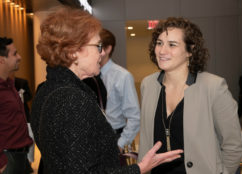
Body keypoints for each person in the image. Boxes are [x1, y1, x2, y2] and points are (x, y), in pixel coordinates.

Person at [30, 7, 183, 174]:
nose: (102, 53)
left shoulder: (48, 90)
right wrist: (139, 168)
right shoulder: (70, 100)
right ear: (74, 52)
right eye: (97, 46)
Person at [138, 17, 242, 174]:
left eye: (172, 45)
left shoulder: (213, 87)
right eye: (159, 43)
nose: (162, 51)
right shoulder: (148, 85)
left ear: (190, 50)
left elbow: (233, 145)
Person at [100, 28, 140, 153]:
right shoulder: (87, 75)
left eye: (97, 47)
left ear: (108, 49)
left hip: (114, 137)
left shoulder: (122, 76)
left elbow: (134, 117)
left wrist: (120, 144)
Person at [0, 37, 33, 174]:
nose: (19, 57)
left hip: (20, 157)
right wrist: (2, 163)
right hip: (7, 160)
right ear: (1, 59)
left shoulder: (9, 84)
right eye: (14, 54)